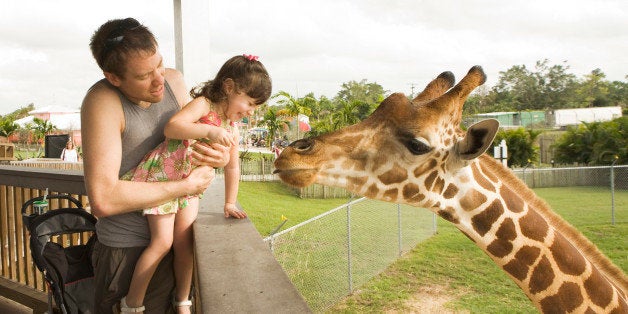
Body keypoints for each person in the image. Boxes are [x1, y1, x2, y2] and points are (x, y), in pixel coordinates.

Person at [81, 18, 230, 313]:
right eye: (144, 76)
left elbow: (193, 139)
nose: (158, 79)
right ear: (113, 78)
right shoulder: (102, 102)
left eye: (159, 65)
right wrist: (186, 186)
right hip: (127, 250)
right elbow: (103, 199)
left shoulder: (174, 82)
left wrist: (219, 158)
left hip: (175, 244)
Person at [120, 54, 271, 313]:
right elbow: (172, 127)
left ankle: (182, 300)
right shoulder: (204, 105)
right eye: (249, 102)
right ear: (229, 87)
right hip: (164, 180)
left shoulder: (232, 128)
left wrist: (229, 202)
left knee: (185, 243)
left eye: (255, 107)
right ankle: (132, 303)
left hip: (190, 187)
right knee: (162, 243)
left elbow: (232, 167)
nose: (250, 111)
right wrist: (209, 131)